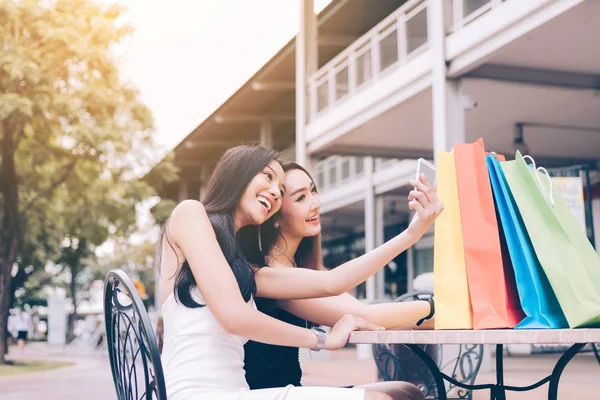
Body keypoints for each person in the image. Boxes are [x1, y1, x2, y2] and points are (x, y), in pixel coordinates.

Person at [159, 145, 440, 400]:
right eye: (267, 177)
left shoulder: (243, 270)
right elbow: (236, 318)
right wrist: (323, 340)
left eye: (280, 191)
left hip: (237, 392)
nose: (273, 192)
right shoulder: (190, 213)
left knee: (407, 393)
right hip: (195, 394)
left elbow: (333, 281)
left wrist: (413, 233)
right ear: (238, 174)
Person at [243, 162, 440, 399]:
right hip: (269, 393)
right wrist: (434, 306)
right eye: (300, 198)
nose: (315, 203)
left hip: (292, 388)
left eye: (313, 191)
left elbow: (363, 315)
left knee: (407, 391)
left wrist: (447, 316)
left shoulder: (299, 267)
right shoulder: (271, 270)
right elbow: (367, 314)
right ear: (275, 216)